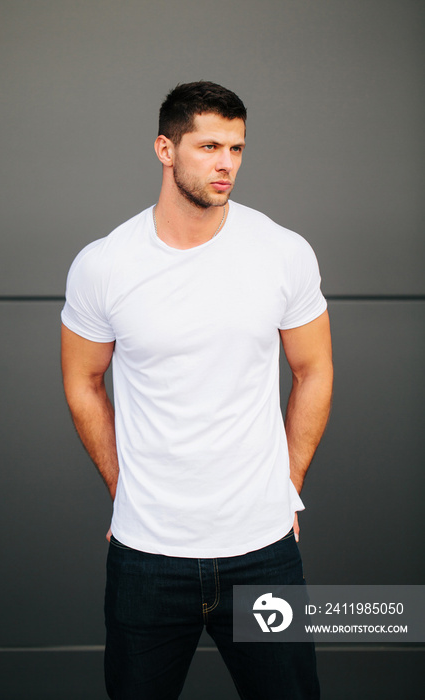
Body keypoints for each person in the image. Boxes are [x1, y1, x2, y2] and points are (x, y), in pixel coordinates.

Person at [61, 81, 333, 700]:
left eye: (236, 148)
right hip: (145, 558)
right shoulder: (104, 264)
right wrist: (121, 485)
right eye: (209, 146)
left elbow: (314, 369)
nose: (226, 164)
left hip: (262, 552)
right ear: (165, 148)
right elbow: (82, 380)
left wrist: (286, 487)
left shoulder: (282, 252)